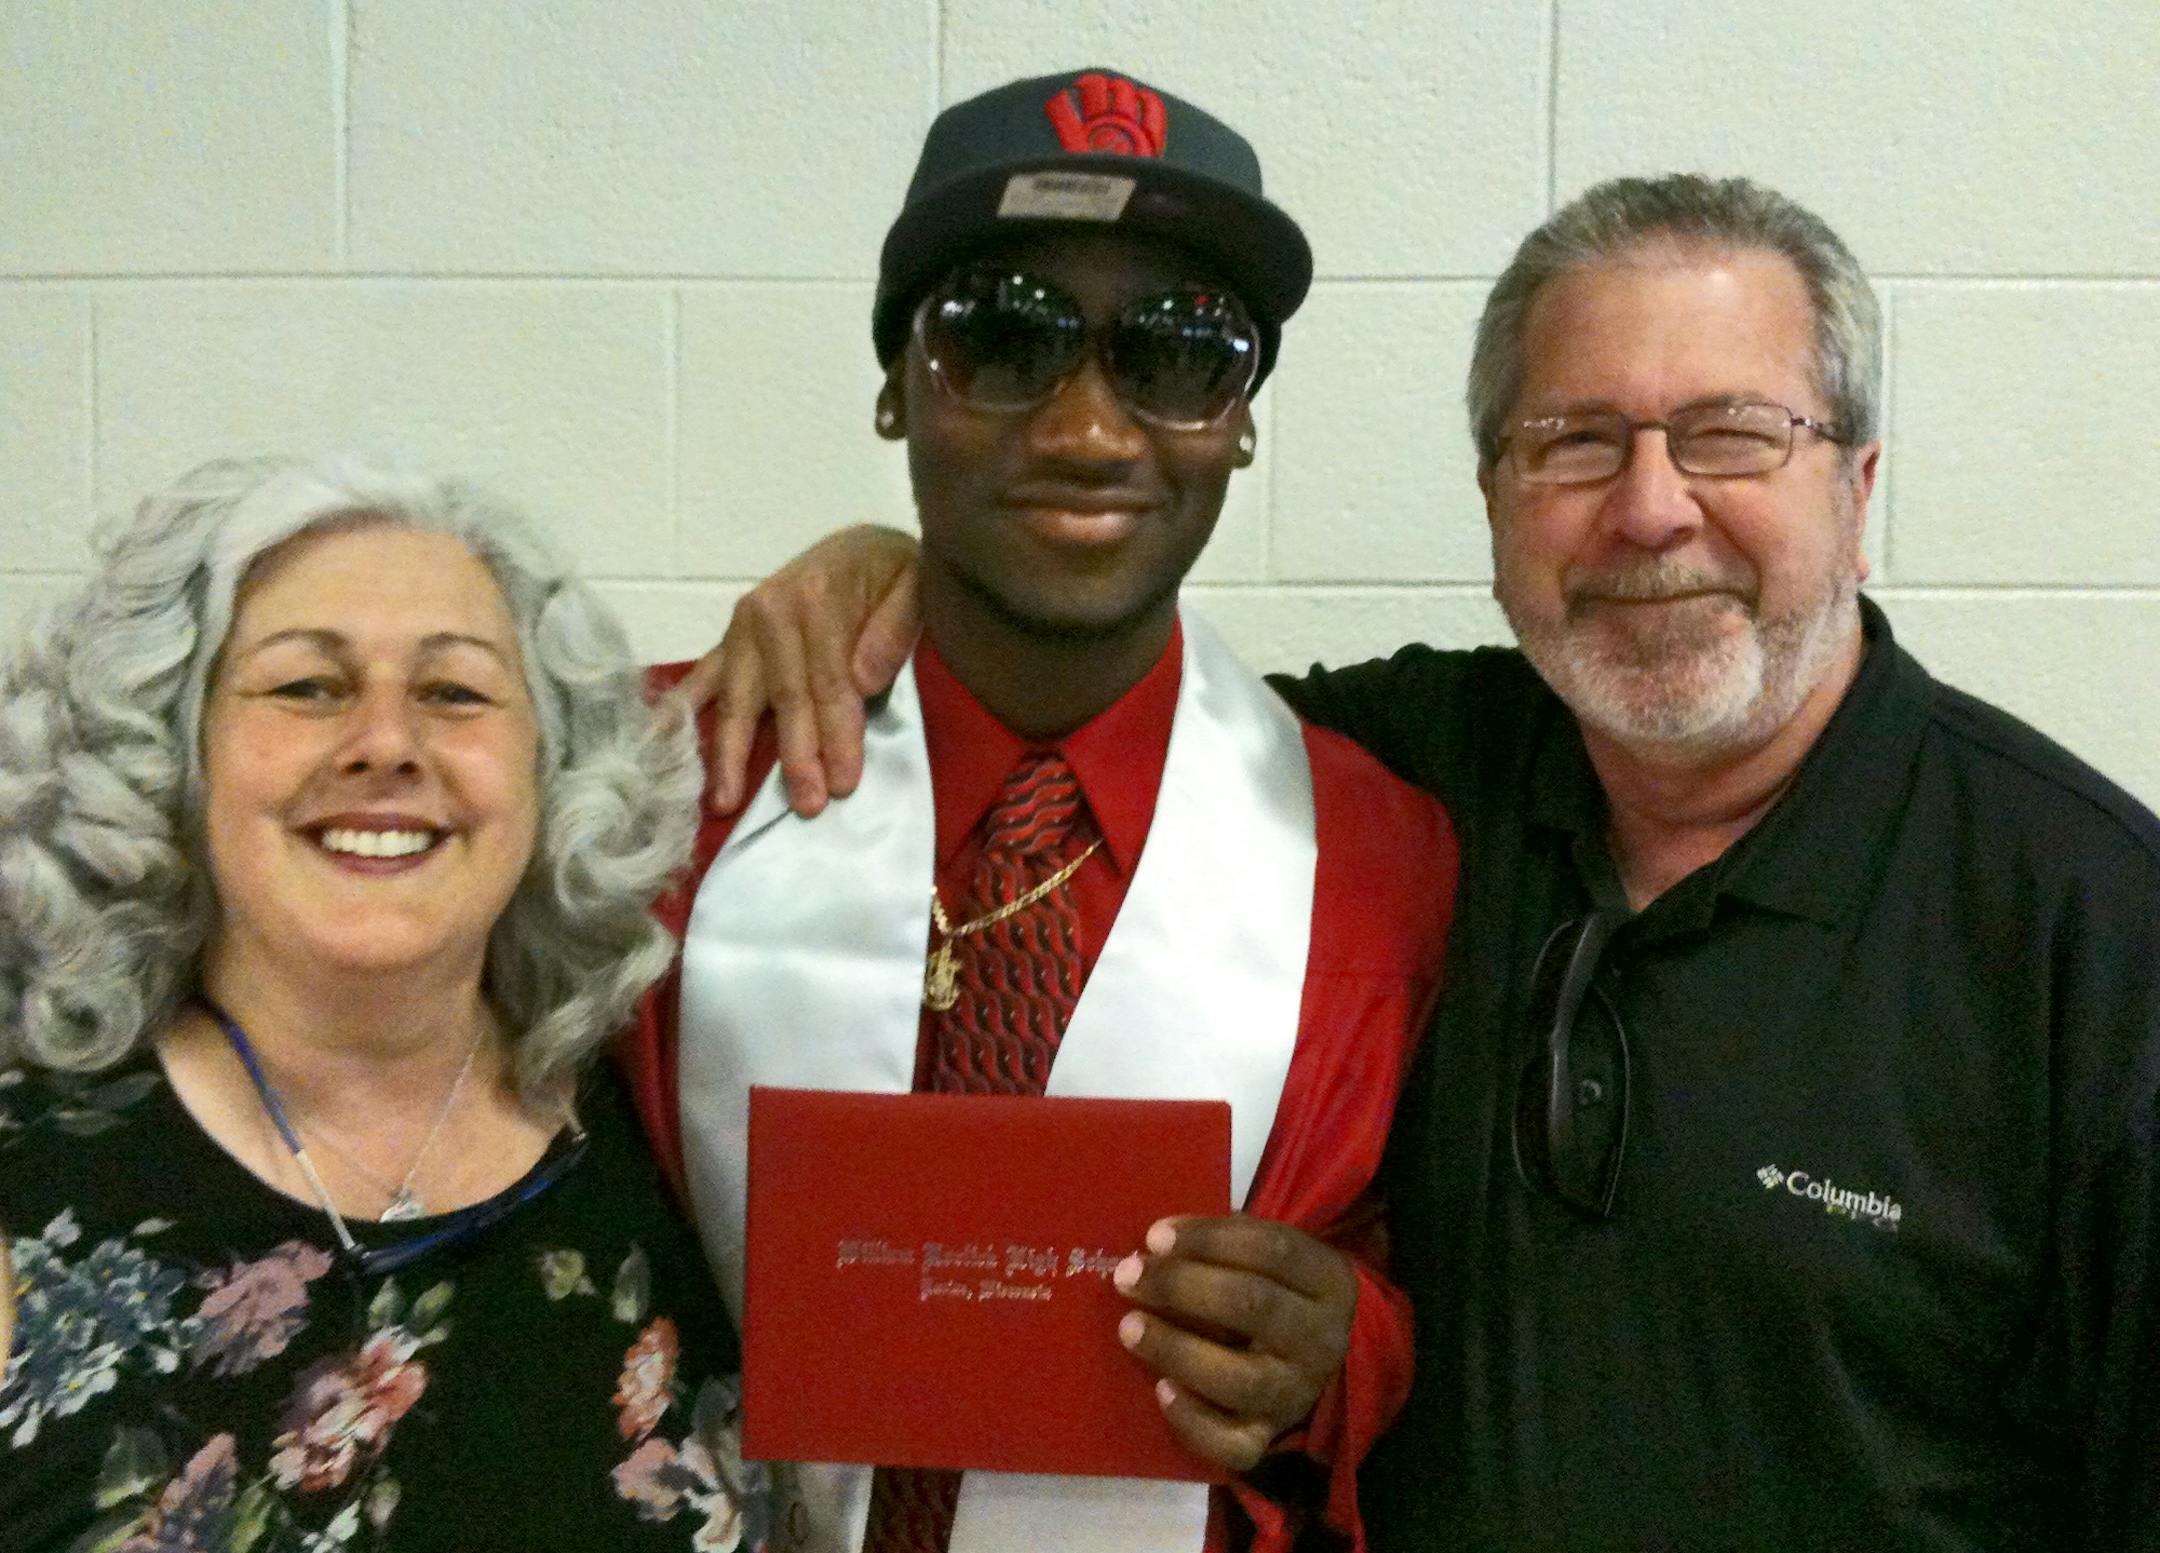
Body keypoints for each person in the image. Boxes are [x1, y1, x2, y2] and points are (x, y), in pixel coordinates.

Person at [687, 173, 2160, 1550]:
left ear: (1859, 482)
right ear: (1494, 499)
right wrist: (901, 564)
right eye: (1574, 441)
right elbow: (1092, 680)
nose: (1651, 508)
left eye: (1731, 434)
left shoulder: (2091, 938)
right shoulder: (1411, 778)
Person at [622, 68, 1457, 1553]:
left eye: (1180, 353)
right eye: (1000, 340)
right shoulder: (667, 777)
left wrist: (1340, 1351)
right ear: (894, 387)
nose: (1087, 429)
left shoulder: (1380, 858)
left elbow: (1401, 1272)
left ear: (1243, 421)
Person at [0, 457, 763, 1551]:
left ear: (550, 771)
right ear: (175, 751)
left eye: (454, 691)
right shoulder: (23, 1193)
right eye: (307, 686)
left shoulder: (672, 1128)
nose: (387, 743)